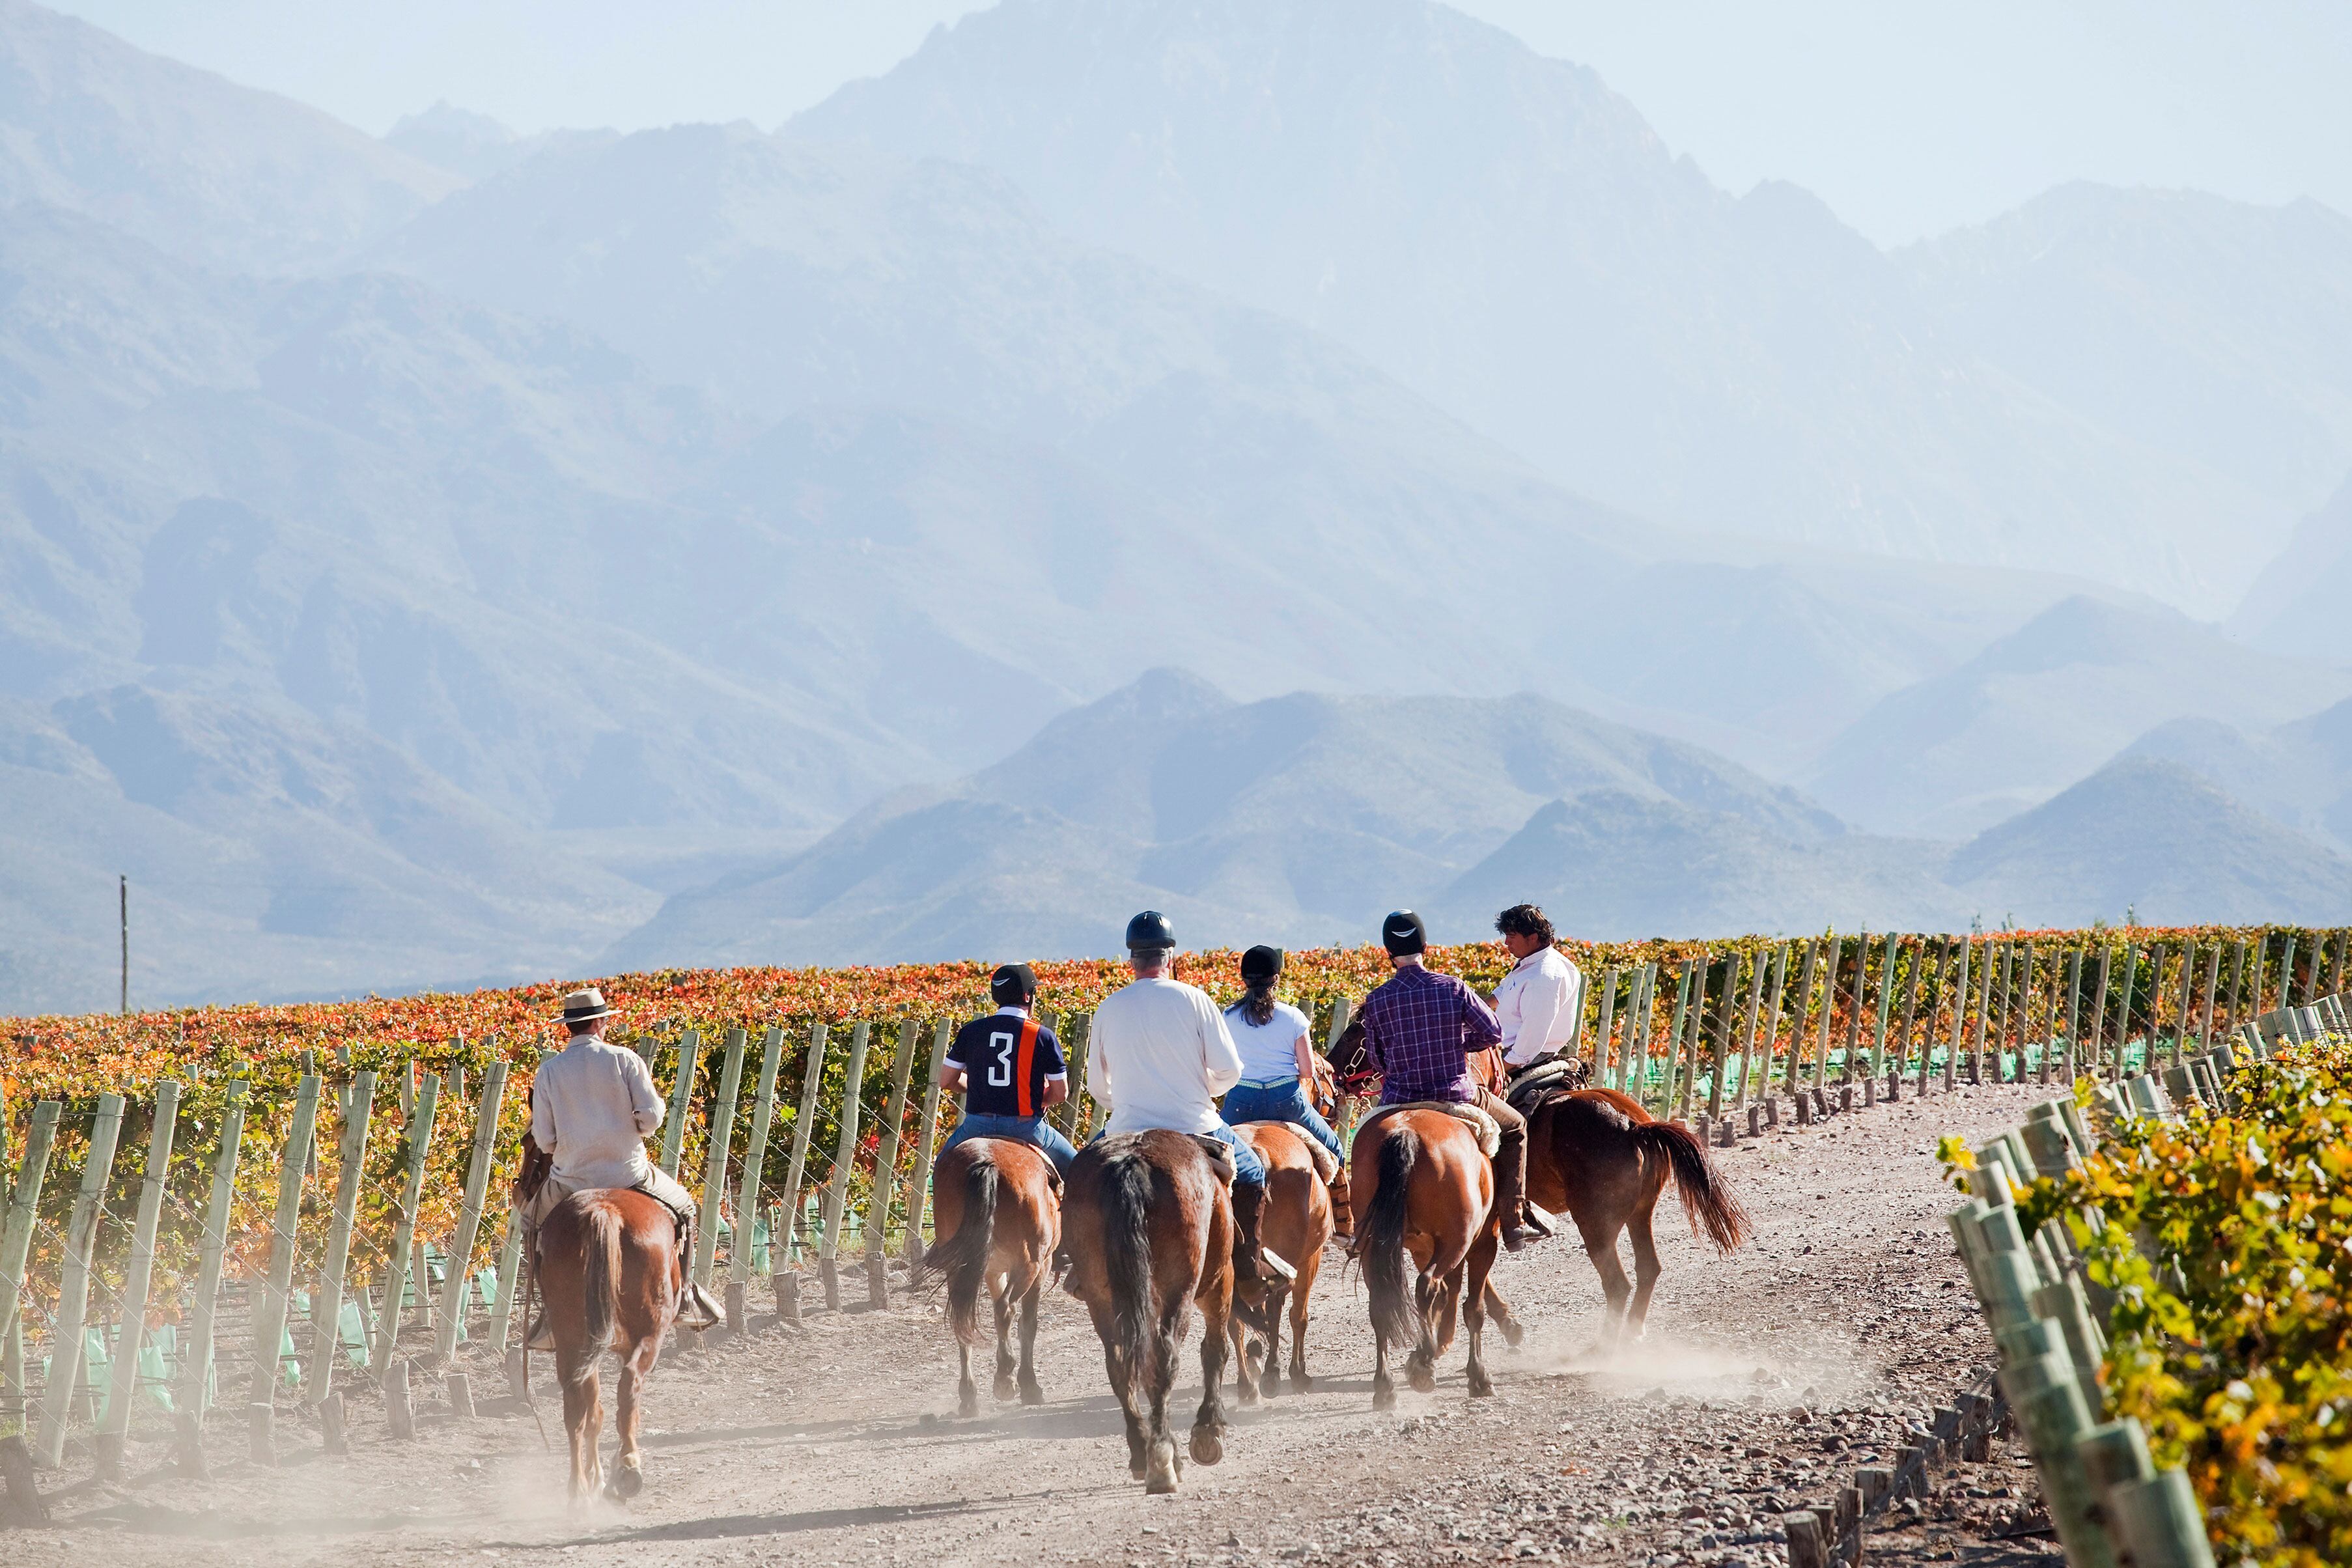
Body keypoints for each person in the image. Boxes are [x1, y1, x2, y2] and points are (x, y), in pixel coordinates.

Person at [524, 988, 723, 1348]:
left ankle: (550, 1315)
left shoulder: (549, 1071)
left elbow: (546, 1140)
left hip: (570, 1180)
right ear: (601, 1023)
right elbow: (652, 1118)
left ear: (568, 1027)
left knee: (529, 1224)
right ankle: (685, 1296)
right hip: (630, 1175)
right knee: (687, 1208)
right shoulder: (625, 1060)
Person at [1087, 910, 1272, 1282]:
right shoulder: (1195, 999)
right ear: (1170, 957)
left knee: (1081, 1176)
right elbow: (1230, 1071)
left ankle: (1077, 1262)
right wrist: (1207, 1092)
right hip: (1195, 1126)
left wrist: (1123, 1106)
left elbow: (1096, 1085)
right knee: (1254, 1173)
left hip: (1124, 1128)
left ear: (1131, 960)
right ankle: (1246, 1267)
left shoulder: (1109, 1007)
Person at [1355, 910, 1547, 1252]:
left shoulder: (1377, 999)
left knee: (1362, 1143)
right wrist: (1456, 1044)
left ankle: (1360, 1229)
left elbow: (1375, 1058)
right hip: (1455, 1093)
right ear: (1425, 947)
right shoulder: (1453, 987)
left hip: (1399, 1098)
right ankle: (1514, 1220)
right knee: (1517, 1127)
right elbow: (1493, 1032)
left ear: (1388, 953)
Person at [937, 963, 1078, 1177]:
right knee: (1079, 1171)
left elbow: (946, 1081)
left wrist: (978, 1085)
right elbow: (1061, 1093)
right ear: (1028, 997)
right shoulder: (1042, 1035)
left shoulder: (972, 1032)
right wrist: (1040, 1100)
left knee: (940, 1170)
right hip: (1025, 1127)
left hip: (976, 1126)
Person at [1218, 945, 1343, 1163]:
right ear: (1275, 979)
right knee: (1334, 1148)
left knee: (1210, 1150)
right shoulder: (1293, 1016)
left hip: (1241, 1101)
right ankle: (1342, 1197)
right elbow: (1307, 1071)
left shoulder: (1228, 1016)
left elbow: (1223, 1064)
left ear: (1244, 980)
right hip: (1287, 1102)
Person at [1493, 904, 1584, 1076]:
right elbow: (1505, 989)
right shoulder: (1532, 962)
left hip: (1519, 1055)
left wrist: (1500, 1068)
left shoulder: (1543, 977)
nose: (1506, 942)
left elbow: (1530, 1039)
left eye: (1512, 936)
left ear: (1533, 938)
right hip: (1511, 1050)